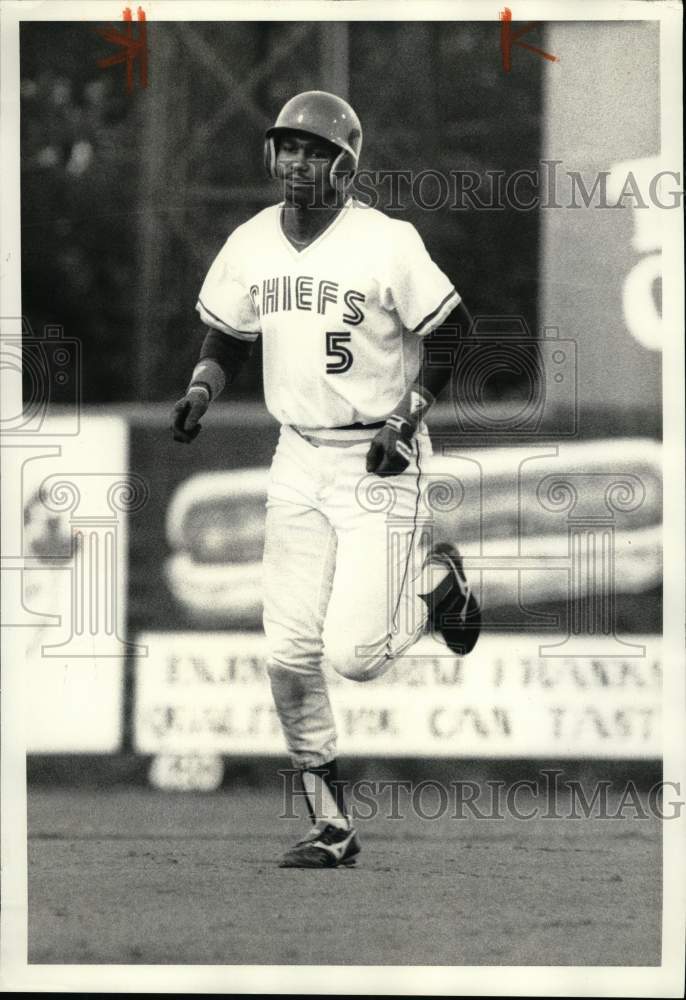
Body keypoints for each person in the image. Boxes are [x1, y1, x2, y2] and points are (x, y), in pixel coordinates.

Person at [171, 90, 480, 868]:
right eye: (287, 147)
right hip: (298, 454)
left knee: (355, 654)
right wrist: (203, 386)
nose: (297, 162)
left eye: (313, 150)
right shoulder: (251, 241)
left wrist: (405, 420)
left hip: (380, 451)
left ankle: (443, 593)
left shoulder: (386, 241)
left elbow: (454, 334)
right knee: (287, 654)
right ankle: (332, 826)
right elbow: (228, 335)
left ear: (345, 163)